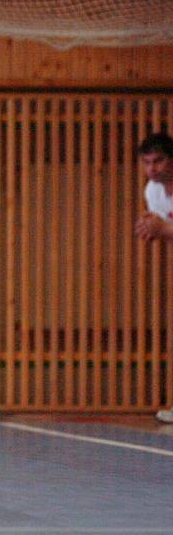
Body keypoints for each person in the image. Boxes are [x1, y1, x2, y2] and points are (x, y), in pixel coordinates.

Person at [134, 132, 173, 423]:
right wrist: (153, 228)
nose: (153, 168)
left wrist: (164, 229)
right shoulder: (152, 192)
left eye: (158, 161)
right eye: (147, 162)